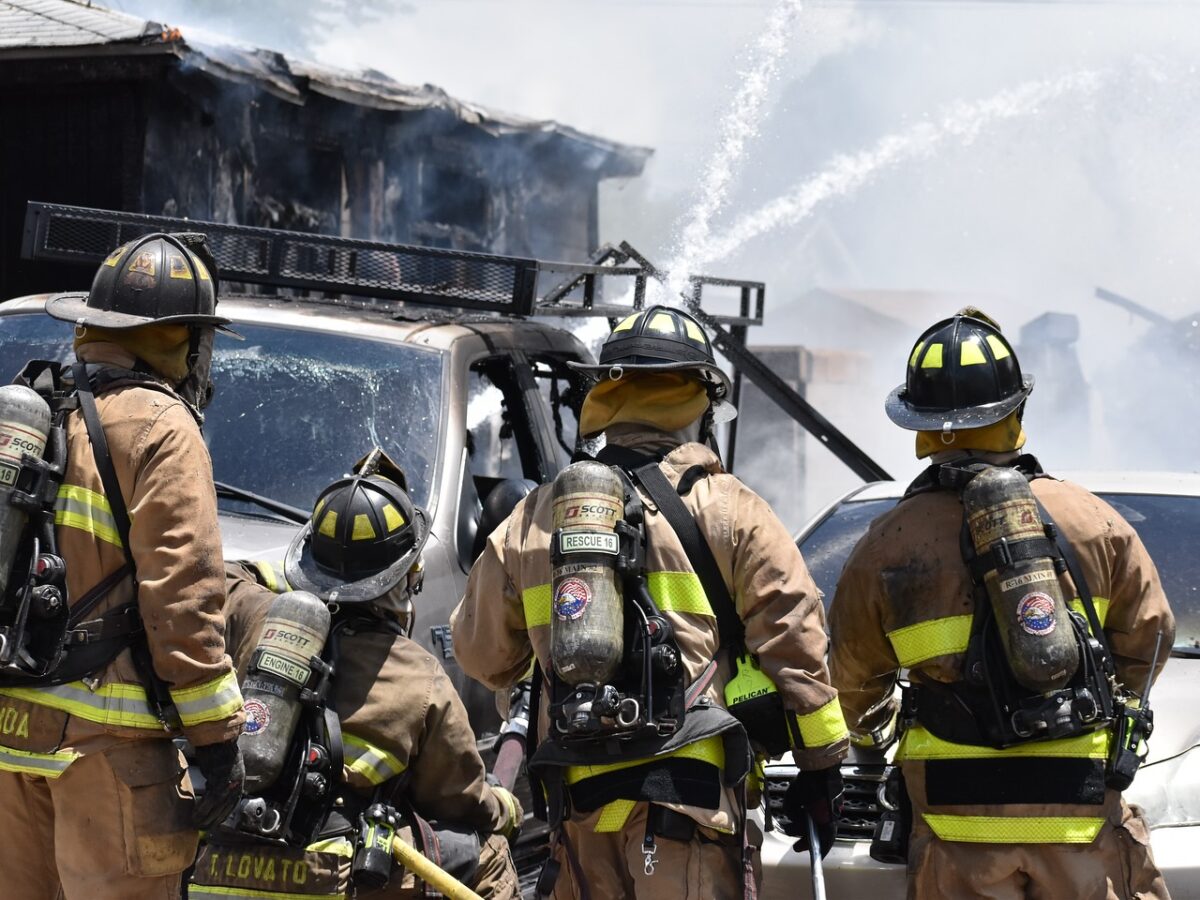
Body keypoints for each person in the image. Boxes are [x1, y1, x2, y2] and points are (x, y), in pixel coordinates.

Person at [451, 305, 848, 899]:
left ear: (608, 396)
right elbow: (797, 640)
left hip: (579, 812)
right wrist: (821, 768)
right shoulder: (729, 508)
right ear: (698, 402)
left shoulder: (534, 517)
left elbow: (481, 656)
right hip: (686, 810)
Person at [829, 310, 1175, 899]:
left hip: (955, 828)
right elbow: (1152, 633)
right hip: (1080, 817)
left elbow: (852, 680)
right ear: (1015, 411)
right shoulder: (1094, 521)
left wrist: (875, 742)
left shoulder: (886, 545)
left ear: (921, 425)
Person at [0, 233, 246, 899]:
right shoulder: (161, 427)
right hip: (108, 757)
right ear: (180, 340)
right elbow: (183, 602)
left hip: (10, 745)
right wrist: (218, 743)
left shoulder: (31, 408)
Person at [192, 452, 522, 899]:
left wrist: (282, 585)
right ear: (404, 579)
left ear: (307, 559)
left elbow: (221, 578)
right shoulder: (419, 676)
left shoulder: (255, 615)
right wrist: (505, 807)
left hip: (221, 856)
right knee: (491, 855)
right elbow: (459, 800)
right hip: (330, 872)